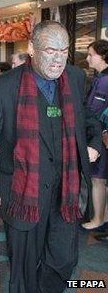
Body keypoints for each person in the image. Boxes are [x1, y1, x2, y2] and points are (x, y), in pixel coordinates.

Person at [0, 21, 102, 293]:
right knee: (24, 268)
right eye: (51, 50)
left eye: (64, 51)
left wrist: (94, 144)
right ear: (32, 48)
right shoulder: (2, 88)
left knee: (64, 260)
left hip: (66, 190)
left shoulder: (76, 78)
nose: (58, 59)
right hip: (22, 194)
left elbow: (89, 121)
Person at [81, 40, 108, 231]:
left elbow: (93, 111)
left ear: (103, 56)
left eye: (91, 54)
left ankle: (98, 219)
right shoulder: (100, 78)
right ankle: (103, 218)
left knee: (98, 178)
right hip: (101, 134)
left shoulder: (104, 81)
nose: (87, 58)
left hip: (101, 136)